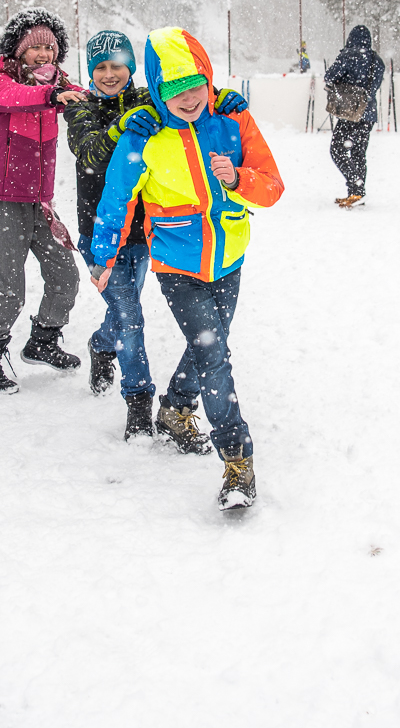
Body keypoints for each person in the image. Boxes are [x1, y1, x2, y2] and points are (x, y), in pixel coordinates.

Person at [89, 27, 284, 511]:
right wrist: (104, 257)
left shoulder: (232, 118)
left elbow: (272, 187)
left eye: (195, 84)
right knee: (213, 355)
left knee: (209, 347)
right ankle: (238, 462)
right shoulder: (145, 135)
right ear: (157, 89)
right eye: (174, 89)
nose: (189, 98)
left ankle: (176, 409)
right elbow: (116, 200)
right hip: (177, 265)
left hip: (229, 258)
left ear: (208, 78)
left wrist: (237, 178)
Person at [66, 29, 248, 440]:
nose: (109, 75)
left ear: (131, 68)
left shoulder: (148, 99)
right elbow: (90, 153)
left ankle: (101, 344)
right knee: (131, 319)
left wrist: (221, 99)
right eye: (100, 67)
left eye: (117, 66)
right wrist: (121, 127)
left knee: (122, 313)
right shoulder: (80, 107)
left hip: (145, 233)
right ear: (91, 72)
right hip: (101, 232)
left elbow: (186, 97)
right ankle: (138, 404)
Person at [0, 7, 86, 394]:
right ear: (18, 49)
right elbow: (15, 98)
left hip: (40, 202)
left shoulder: (57, 83)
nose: (43, 54)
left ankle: (43, 341)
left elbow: (86, 97)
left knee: (65, 276)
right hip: (3, 199)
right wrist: (53, 95)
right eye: (35, 47)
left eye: (50, 48)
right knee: (10, 288)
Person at [325, 25, 385, 208]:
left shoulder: (348, 56)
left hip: (350, 114)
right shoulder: (377, 60)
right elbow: (373, 87)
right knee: (359, 153)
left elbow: (329, 77)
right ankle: (357, 194)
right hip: (368, 114)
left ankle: (356, 187)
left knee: (337, 150)